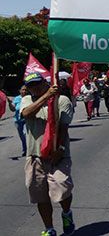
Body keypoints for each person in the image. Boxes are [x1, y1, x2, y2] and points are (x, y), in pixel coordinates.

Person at [20, 72, 75, 236]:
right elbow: (26, 114)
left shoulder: (62, 100)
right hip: (35, 156)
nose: (34, 88)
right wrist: (45, 96)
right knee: (40, 195)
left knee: (62, 189)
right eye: (30, 86)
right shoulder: (27, 100)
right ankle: (49, 228)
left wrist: (61, 150)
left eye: (37, 84)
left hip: (57, 155)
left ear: (45, 82)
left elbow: (64, 128)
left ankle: (67, 213)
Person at [9, 85, 28, 156]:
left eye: (25, 90)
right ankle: (25, 149)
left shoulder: (29, 98)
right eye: (23, 90)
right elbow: (13, 109)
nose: (24, 91)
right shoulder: (17, 98)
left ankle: (28, 150)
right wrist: (10, 103)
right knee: (22, 136)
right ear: (19, 91)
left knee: (26, 134)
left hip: (26, 119)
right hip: (18, 120)